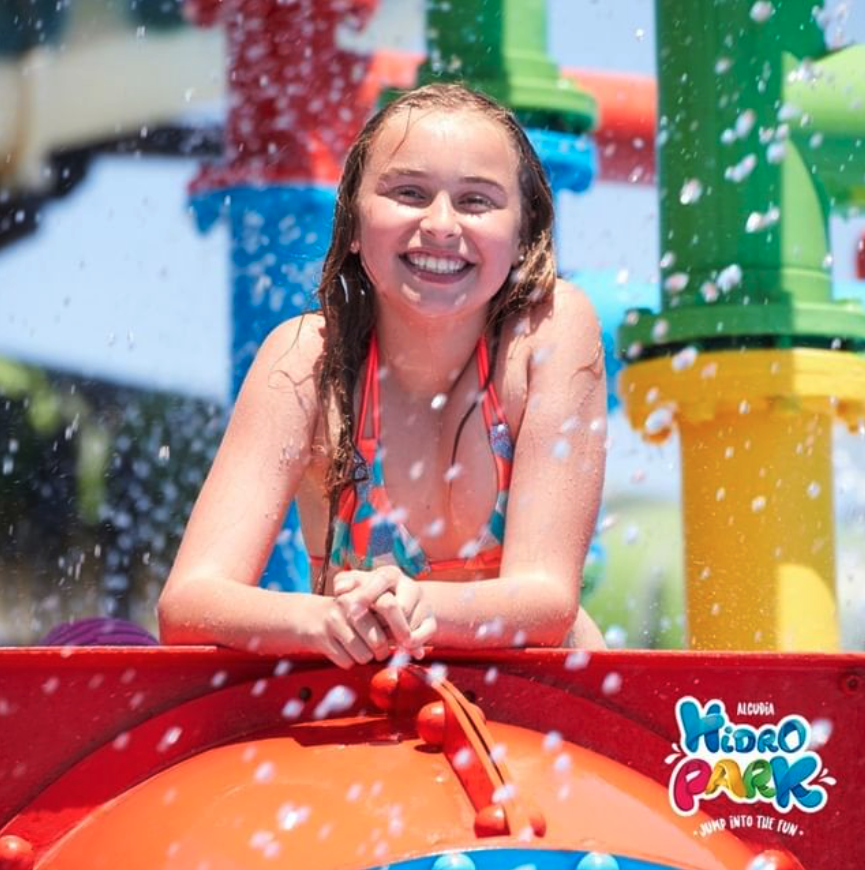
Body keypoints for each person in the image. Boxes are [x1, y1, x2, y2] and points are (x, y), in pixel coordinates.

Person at [158, 83, 607, 667]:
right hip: (375, 713)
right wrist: (315, 617)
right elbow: (189, 601)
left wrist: (420, 602)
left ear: (522, 237)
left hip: (543, 704)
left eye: (477, 201)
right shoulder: (308, 362)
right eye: (409, 192)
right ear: (351, 224)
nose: (442, 224)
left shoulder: (546, 334)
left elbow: (548, 600)